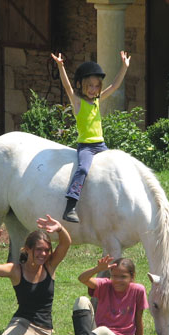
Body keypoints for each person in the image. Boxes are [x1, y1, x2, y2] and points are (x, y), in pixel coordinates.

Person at [51, 51, 130, 223]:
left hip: (100, 145)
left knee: (115, 167)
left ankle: (118, 203)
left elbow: (115, 86)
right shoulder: (78, 102)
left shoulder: (97, 101)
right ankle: (71, 205)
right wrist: (60, 66)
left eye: (96, 86)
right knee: (83, 170)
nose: (94, 90)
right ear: (81, 85)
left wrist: (124, 67)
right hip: (86, 147)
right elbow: (67, 87)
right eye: (90, 86)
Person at [45, 255, 157, 335]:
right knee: (81, 301)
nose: (118, 280)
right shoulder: (105, 285)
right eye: (114, 276)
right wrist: (97, 269)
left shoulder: (138, 290)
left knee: (103, 330)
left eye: (123, 277)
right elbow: (82, 278)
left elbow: (138, 321)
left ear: (132, 277)